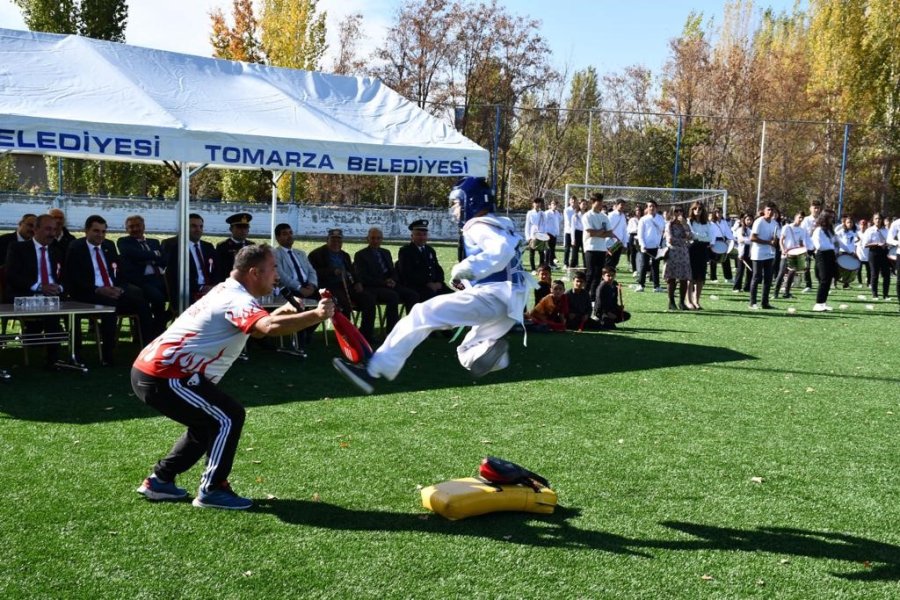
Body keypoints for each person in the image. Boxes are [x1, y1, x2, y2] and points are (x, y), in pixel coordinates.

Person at [131, 244, 334, 510]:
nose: (277, 275)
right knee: (228, 416)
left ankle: (160, 480)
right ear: (254, 272)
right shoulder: (236, 298)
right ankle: (212, 489)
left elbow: (258, 329)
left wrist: (284, 312)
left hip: (156, 371)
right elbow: (268, 328)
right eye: (273, 268)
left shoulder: (227, 289)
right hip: (166, 375)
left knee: (209, 423)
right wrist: (317, 315)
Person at [333, 177, 533, 395]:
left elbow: (500, 251)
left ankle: (374, 370)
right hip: (511, 305)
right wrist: (468, 279)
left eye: (457, 204)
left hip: (493, 296)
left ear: (471, 202)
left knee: (422, 314)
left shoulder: (478, 225)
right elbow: (505, 258)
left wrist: (467, 268)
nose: (455, 210)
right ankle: (497, 357)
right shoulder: (503, 226)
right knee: (467, 352)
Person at [63, 215, 154, 365]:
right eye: (96, 231)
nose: (100, 235)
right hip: (89, 293)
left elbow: (120, 273)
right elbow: (74, 278)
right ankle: (108, 355)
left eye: (104, 231)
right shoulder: (76, 247)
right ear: (86, 231)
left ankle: (148, 350)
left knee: (142, 303)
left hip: (113, 290)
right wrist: (99, 289)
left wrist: (119, 288)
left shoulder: (109, 246)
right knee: (109, 307)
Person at [4, 214, 64, 366]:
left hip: (54, 296)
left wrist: (59, 287)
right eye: (48, 229)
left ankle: (63, 357)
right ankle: (51, 357)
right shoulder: (18, 248)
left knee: (65, 308)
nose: (52, 233)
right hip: (25, 294)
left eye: (54, 229)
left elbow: (68, 275)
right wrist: (38, 287)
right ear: (36, 230)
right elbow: (11, 275)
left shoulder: (57, 249)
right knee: (51, 310)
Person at [309, 228, 377, 345]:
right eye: (333, 240)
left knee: (369, 299)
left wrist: (357, 282)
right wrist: (332, 271)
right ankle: (346, 336)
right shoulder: (316, 254)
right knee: (344, 303)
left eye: (339, 240)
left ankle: (365, 334)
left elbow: (353, 271)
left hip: (346, 286)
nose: (336, 243)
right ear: (327, 240)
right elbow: (313, 273)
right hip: (328, 287)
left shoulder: (344, 255)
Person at [353, 227, 418, 333]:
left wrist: (393, 279)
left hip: (389, 284)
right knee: (393, 296)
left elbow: (392, 270)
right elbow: (363, 277)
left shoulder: (385, 252)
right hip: (373, 286)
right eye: (373, 238)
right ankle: (392, 331)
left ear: (382, 239)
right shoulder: (361, 255)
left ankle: (413, 328)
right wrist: (384, 282)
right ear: (367, 239)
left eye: (378, 238)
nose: (375, 241)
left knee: (412, 295)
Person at [117, 215, 168, 337]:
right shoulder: (124, 242)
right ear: (126, 229)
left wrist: (146, 256)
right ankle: (157, 332)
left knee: (181, 295)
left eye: (138, 225)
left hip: (160, 278)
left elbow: (164, 259)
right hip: (140, 281)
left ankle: (161, 323)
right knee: (158, 298)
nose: (135, 229)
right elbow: (134, 254)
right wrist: (154, 255)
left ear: (144, 226)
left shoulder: (154, 242)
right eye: (131, 227)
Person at [163, 213, 218, 307]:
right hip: (189, 293)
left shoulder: (208, 247)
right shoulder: (174, 247)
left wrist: (213, 286)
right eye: (193, 226)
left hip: (210, 291)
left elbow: (216, 270)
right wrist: (200, 288)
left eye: (201, 227)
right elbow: (173, 276)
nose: (198, 230)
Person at [396, 219, 453, 302]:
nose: (422, 237)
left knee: (453, 297)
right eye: (418, 235)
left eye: (424, 234)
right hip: (416, 286)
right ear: (412, 236)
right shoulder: (406, 251)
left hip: (433, 285)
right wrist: (427, 283)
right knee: (431, 298)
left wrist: (439, 282)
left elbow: (437, 269)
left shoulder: (430, 250)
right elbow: (407, 274)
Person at [811, 209, 845, 312]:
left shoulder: (830, 231)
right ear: (825, 218)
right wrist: (831, 246)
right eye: (830, 217)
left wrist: (848, 251)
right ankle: (818, 304)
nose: (832, 219)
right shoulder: (818, 230)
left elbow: (838, 242)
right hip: (822, 255)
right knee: (824, 279)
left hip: (830, 255)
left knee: (829, 279)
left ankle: (823, 303)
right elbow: (819, 245)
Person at [582, 192, 613, 299]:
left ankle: (593, 297)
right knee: (590, 273)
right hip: (590, 248)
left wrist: (598, 232)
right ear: (593, 202)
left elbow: (609, 232)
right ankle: (583, 296)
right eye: (599, 202)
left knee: (598, 274)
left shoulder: (604, 216)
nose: (601, 205)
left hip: (601, 248)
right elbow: (590, 233)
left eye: (602, 202)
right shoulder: (587, 216)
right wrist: (601, 231)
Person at [749, 202, 779, 310]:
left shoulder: (775, 223)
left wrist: (775, 241)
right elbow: (752, 238)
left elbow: (775, 238)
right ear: (764, 210)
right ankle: (752, 302)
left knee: (768, 278)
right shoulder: (759, 222)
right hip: (758, 253)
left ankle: (765, 302)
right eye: (768, 210)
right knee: (757, 277)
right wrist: (767, 242)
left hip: (769, 253)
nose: (770, 212)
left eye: (772, 210)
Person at [663, 206, 693, 311]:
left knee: (684, 278)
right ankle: (671, 302)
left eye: (681, 211)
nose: (679, 213)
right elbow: (670, 239)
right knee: (671, 278)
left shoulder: (684, 224)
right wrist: (683, 241)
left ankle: (681, 302)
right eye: (676, 211)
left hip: (684, 254)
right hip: (673, 253)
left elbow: (691, 237)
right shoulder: (669, 225)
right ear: (672, 213)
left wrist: (685, 225)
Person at [774, 211, 808, 299]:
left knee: (791, 274)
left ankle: (787, 292)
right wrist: (783, 250)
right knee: (781, 273)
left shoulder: (802, 230)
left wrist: (803, 251)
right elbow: (781, 240)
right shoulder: (787, 227)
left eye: (802, 218)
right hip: (786, 253)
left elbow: (801, 243)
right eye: (799, 217)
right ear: (795, 217)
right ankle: (775, 293)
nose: (800, 220)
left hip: (795, 255)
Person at [687, 202, 712, 310]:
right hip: (692, 250)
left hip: (703, 250)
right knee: (690, 277)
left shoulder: (706, 223)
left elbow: (709, 238)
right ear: (692, 210)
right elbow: (691, 235)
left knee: (701, 278)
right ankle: (688, 301)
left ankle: (696, 300)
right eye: (695, 208)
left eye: (700, 209)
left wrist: (699, 237)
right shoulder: (689, 221)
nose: (697, 210)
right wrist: (702, 237)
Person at [215, 212, 254, 282]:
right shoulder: (223, 246)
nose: (243, 230)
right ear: (231, 229)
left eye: (245, 227)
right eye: (239, 227)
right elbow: (219, 270)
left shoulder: (252, 246)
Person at [636, 200, 665, 292]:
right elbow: (640, 234)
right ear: (647, 208)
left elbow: (663, 231)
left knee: (656, 266)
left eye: (653, 206)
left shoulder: (660, 218)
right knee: (644, 265)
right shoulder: (643, 219)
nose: (651, 208)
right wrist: (642, 245)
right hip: (646, 246)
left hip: (657, 246)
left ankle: (656, 286)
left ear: (656, 208)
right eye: (650, 206)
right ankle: (641, 285)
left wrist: (661, 244)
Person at [863, 213, 891, 301]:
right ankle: (875, 294)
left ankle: (885, 294)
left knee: (886, 274)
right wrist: (877, 244)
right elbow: (865, 244)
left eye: (879, 219)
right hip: (874, 253)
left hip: (884, 253)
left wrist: (886, 244)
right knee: (874, 274)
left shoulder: (886, 230)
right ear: (873, 220)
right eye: (876, 219)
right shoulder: (869, 230)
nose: (878, 220)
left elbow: (890, 241)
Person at [800, 199, 822, 292]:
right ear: (810, 209)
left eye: (818, 208)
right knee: (806, 265)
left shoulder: (822, 219)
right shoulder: (806, 220)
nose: (816, 210)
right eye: (814, 208)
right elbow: (802, 232)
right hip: (808, 245)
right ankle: (808, 284)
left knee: (819, 266)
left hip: (818, 246)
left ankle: (822, 283)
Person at [708, 208, 734, 283]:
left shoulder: (724, 222)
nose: (718, 214)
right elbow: (711, 233)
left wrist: (732, 239)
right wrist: (711, 243)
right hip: (714, 242)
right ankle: (713, 278)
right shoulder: (711, 223)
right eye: (717, 212)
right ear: (714, 213)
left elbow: (728, 231)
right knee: (713, 261)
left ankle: (728, 277)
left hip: (723, 241)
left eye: (720, 212)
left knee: (726, 259)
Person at [524, 197, 548, 270]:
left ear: (540, 204)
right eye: (535, 203)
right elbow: (527, 225)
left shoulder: (543, 213)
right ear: (533, 204)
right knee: (532, 252)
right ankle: (533, 269)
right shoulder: (530, 213)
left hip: (541, 235)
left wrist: (545, 235)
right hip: (532, 235)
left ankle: (540, 268)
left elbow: (545, 225)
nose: (537, 204)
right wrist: (528, 237)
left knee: (541, 253)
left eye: (539, 203)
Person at [732, 213, 753, 293]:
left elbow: (754, 240)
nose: (749, 221)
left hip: (751, 251)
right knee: (740, 270)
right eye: (747, 219)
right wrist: (751, 240)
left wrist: (750, 240)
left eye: (751, 220)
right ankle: (737, 287)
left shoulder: (753, 229)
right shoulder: (740, 229)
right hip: (742, 251)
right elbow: (741, 240)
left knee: (750, 270)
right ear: (744, 220)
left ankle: (747, 287)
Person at [606, 198, 628, 269]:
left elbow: (624, 229)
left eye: (624, 205)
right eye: (621, 205)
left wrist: (624, 242)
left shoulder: (623, 216)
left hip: (619, 243)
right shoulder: (611, 215)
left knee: (615, 261)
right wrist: (615, 238)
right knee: (609, 261)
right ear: (616, 205)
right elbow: (608, 229)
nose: (622, 206)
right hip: (611, 242)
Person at [544, 199, 562, 268]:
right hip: (548, 233)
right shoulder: (547, 213)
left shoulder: (557, 213)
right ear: (550, 206)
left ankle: (551, 263)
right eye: (553, 204)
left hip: (554, 233)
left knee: (552, 249)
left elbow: (560, 220)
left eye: (556, 204)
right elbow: (544, 223)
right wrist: (545, 233)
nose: (555, 206)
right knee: (548, 249)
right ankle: (546, 263)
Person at [569, 199, 586, 268]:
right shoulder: (575, 215)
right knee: (574, 253)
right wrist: (573, 239)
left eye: (585, 204)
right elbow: (572, 228)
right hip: (577, 234)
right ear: (579, 205)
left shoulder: (588, 215)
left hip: (585, 234)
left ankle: (586, 267)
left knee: (585, 252)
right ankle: (572, 268)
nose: (584, 206)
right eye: (583, 204)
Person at [563, 195, 578, 269]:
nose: (573, 202)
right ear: (569, 202)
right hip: (568, 231)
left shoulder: (577, 210)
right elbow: (568, 221)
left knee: (575, 248)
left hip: (576, 232)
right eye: (572, 201)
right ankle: (565, 263)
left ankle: (574, 263)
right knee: (567, 248)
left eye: (575, 201)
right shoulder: (567, 210)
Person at [626, 206, 641, 276]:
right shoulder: (632, 220)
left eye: (639, 210)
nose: (638, 212)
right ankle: (634, 269)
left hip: (640, 237)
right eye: (637, 210)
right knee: (633, 254)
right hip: (633, 236)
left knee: (641, 254)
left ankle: (641, 269)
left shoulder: (643, 219)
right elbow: (629, 230)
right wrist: (637, 229)